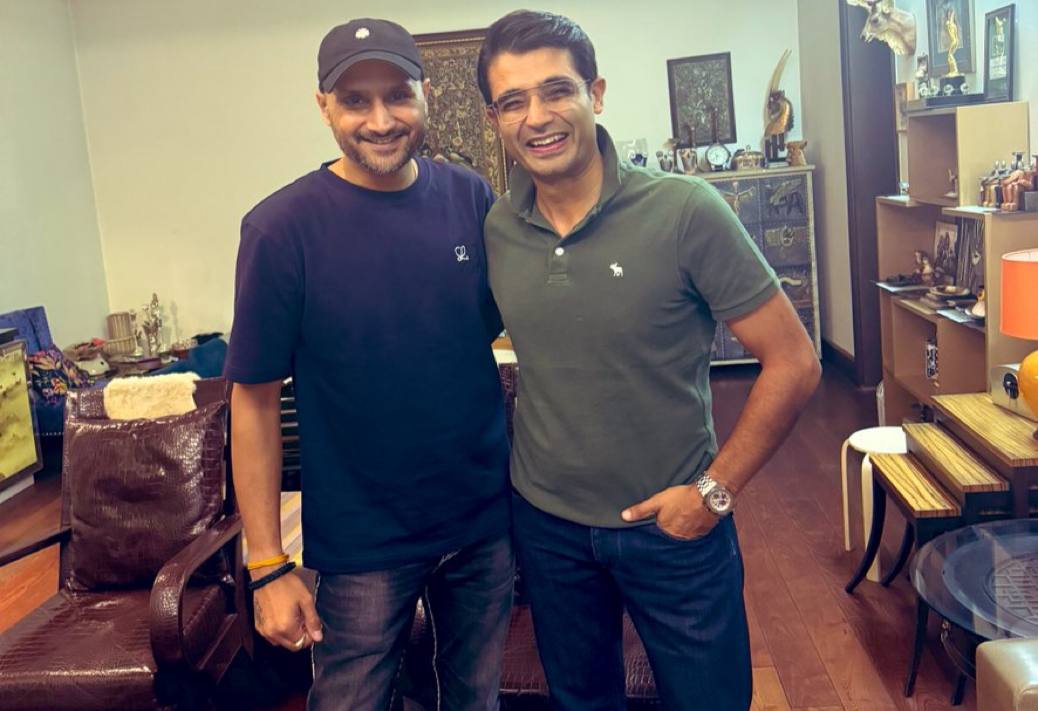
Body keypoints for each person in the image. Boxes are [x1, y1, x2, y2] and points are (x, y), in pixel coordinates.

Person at [476, 10, 822, 711]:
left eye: (557, 90)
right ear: (495, 119)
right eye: (513, 101)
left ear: (596, 94)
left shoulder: (686, 211)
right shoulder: (498, 227)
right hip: (548, 527)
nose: (537, 117)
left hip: (674, 527)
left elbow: (794, 362)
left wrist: (713, 493)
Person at [225, 18, 513, 711]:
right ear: (323, 106)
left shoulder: (470, 197)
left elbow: (479, 336)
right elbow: (253, 402)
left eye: (398, 95)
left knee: (474, 699)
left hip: (481, 523)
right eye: (356, 100)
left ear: (425, 95)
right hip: (362, 541)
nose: (381, 120)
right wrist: (267, 565)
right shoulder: (280, 228)